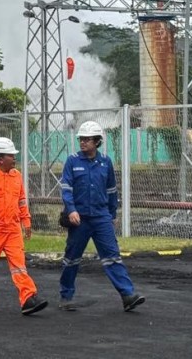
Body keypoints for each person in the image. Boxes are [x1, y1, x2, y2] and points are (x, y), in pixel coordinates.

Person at [58, 121, 145, 312]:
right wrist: (71, 210)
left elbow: (111, 190)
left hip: (101, 217)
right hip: (79, 219)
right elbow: (66, 188)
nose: (83, 142)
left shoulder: (106, 162)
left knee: (112, 256)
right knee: (72, 258)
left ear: (97, 141)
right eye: (81, 139)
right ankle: (66, 295)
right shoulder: (72, 161)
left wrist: (113, 214)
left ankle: (127, 295)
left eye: (87, 139)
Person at [0, 136, 48, 316]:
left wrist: (26, 221)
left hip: (13, 229)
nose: (14, 158)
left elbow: (21, 201)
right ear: (0, 159)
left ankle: (28, 297)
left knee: (19, 265)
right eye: (11, 155)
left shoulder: (17, 176)